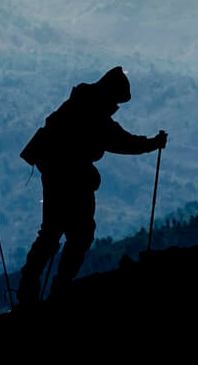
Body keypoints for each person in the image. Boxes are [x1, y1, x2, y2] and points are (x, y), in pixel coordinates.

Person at [16, 67, 165, 304]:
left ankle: (29, 289)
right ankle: (59, 287)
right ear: (110, 93)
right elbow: (121, 141)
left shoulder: (80, 104)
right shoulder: (92, 113)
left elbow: (115, 137)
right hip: (72, 179)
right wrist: (152, 144)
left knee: (51, 234)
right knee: (80, 235)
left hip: (56, 176)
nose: (116, 106)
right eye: (116, 99)